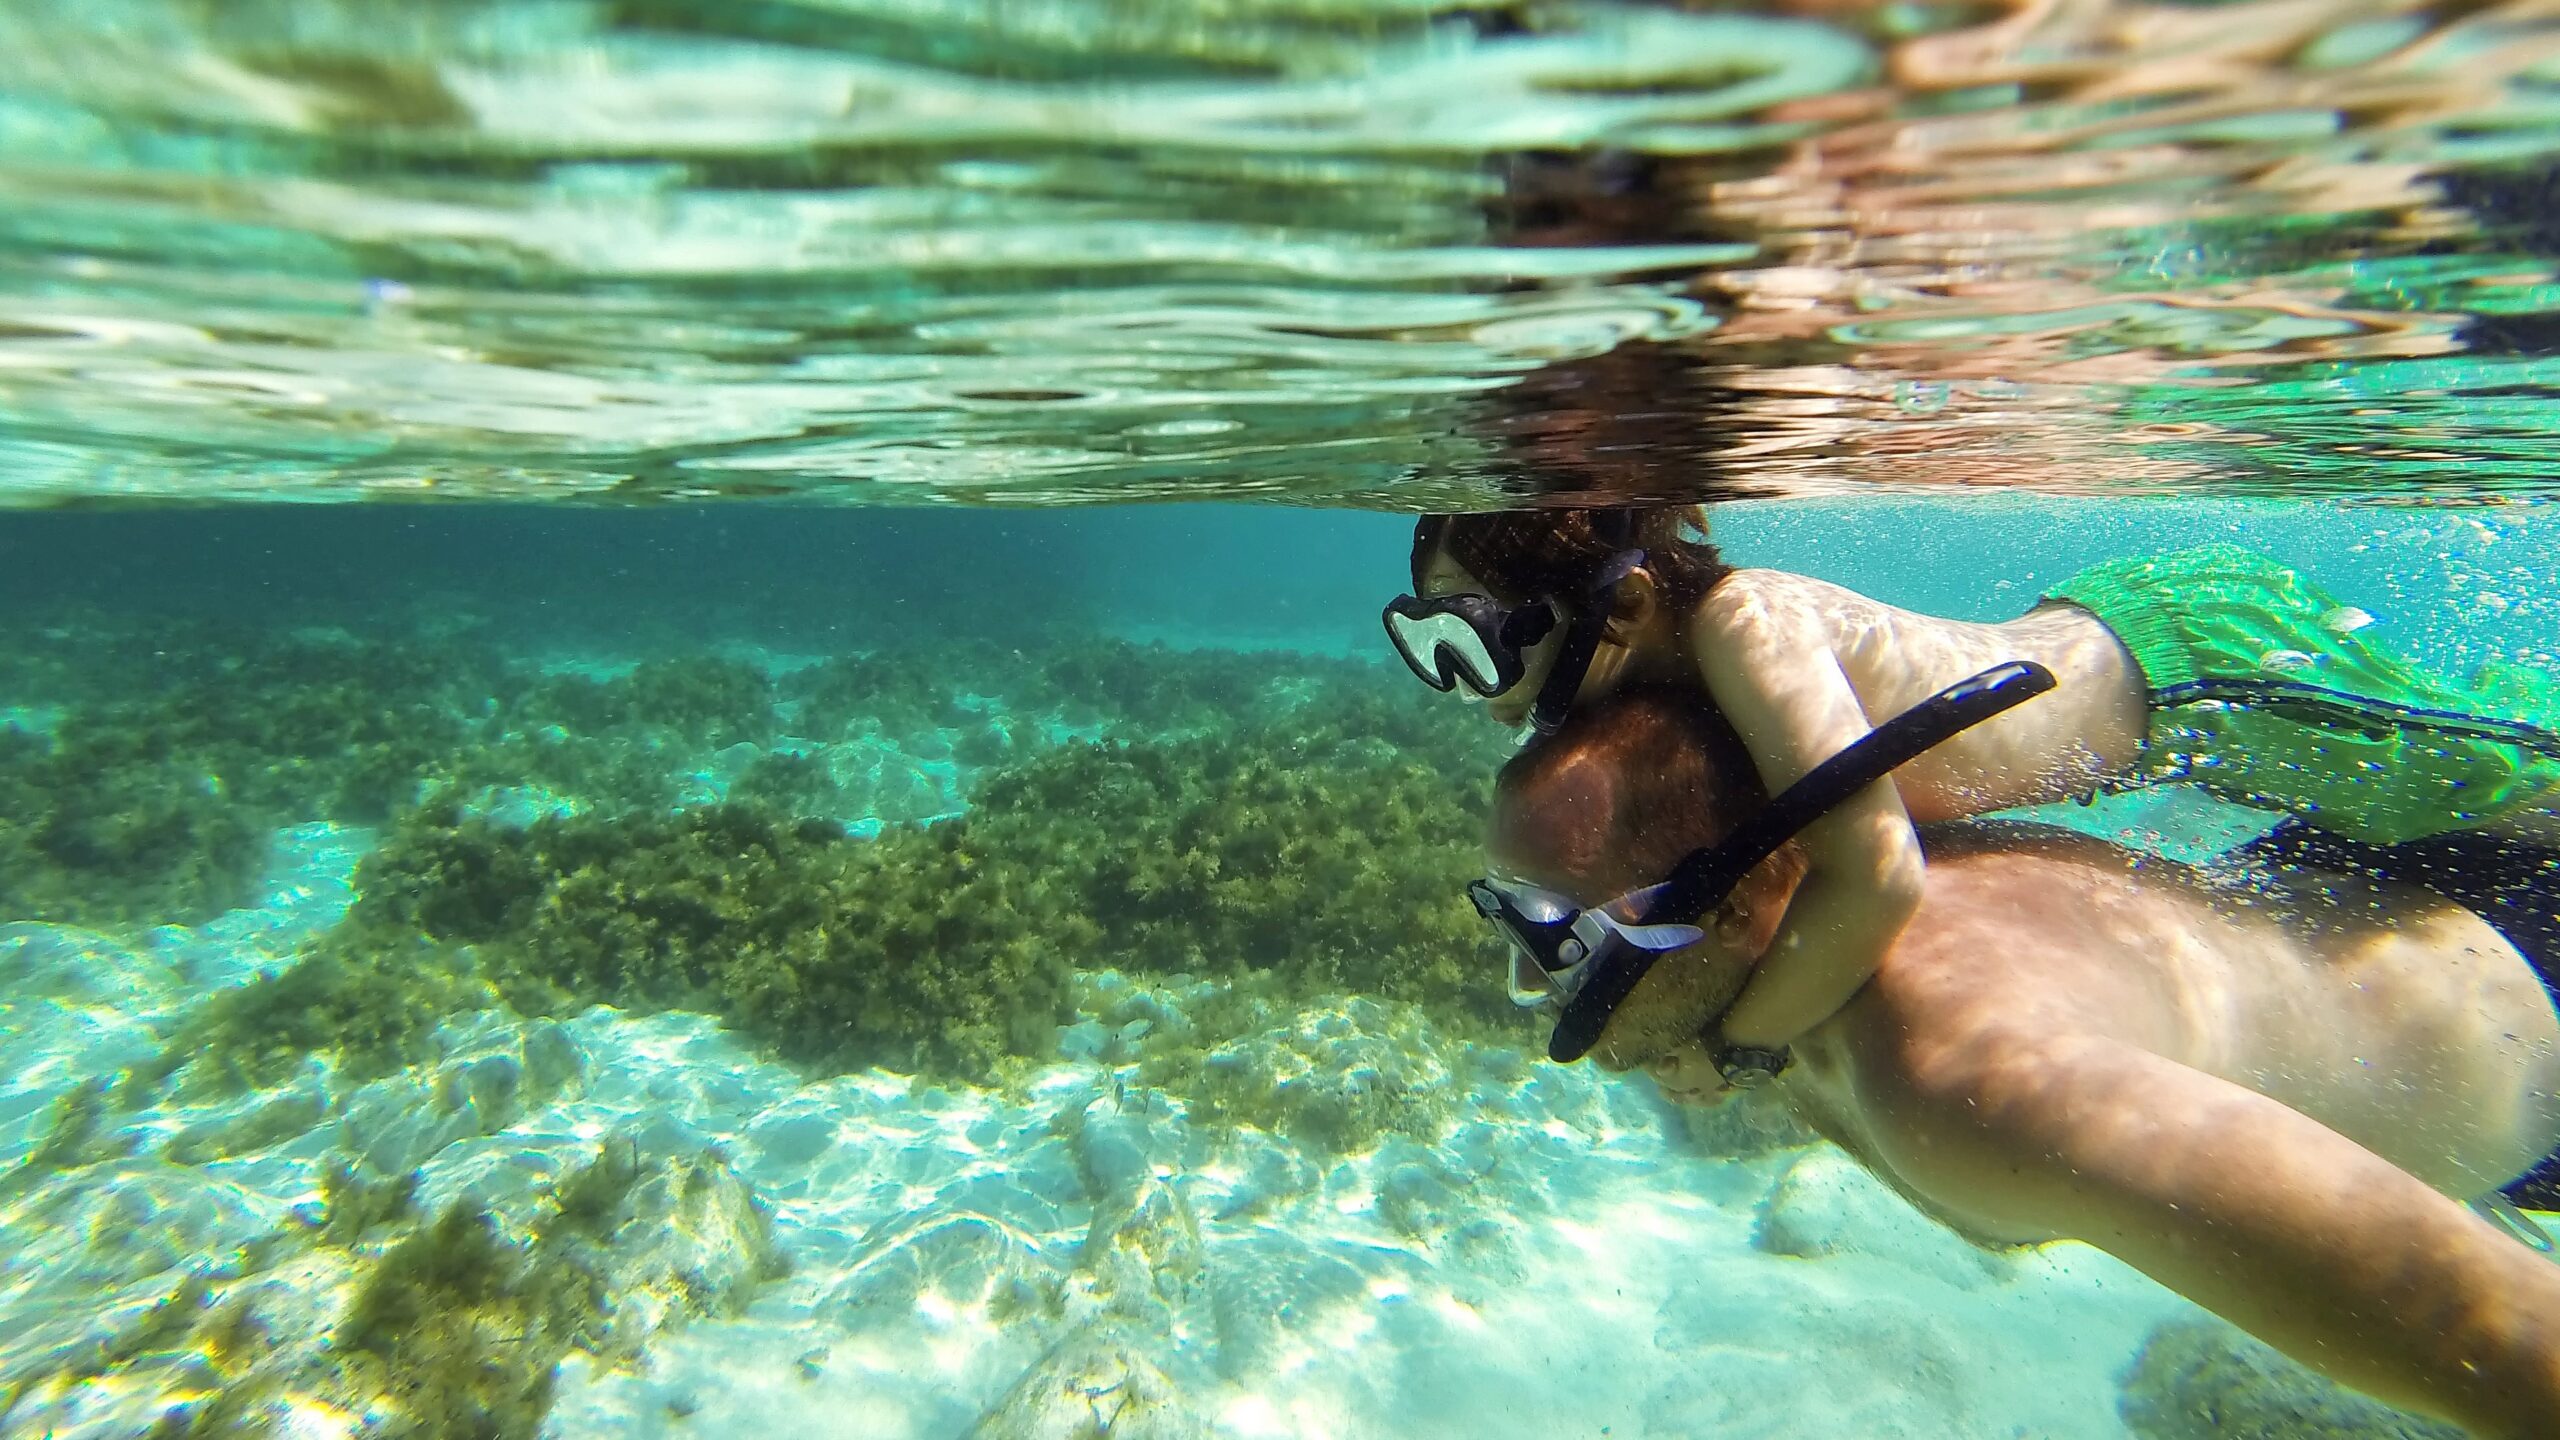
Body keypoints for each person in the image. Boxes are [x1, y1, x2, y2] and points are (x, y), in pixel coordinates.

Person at [1486, 686, 2560, 1439]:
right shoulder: (1838, 884)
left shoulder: (1966, 1080)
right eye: (1511, 922)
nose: (1531, 987)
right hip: (2375, 898)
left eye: (1558, 941)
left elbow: (2487, 1328)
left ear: (1725, 908)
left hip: (2521, 1004)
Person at [1385, 508, 2560, 1090]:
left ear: (1627, 602)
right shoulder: (1663, 677)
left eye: (1479, 641)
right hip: (2141, 655)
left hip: (2203, 669)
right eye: (1426, 644)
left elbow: (1877, 874)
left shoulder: (1744, 629)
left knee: (2501, 776)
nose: (1471, 689)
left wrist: (1740, 1048)